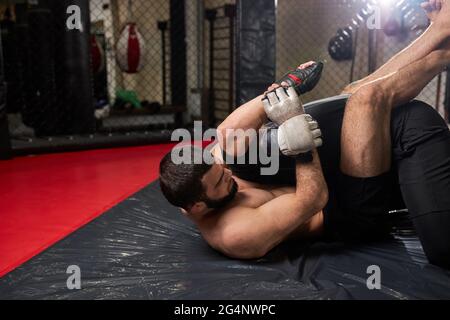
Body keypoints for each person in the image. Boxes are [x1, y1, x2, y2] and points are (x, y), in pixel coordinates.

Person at [159, 0, 450, 268]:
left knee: (348, 96)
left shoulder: (198, 182)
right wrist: (298, 138)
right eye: (220, 180)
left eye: (220, 169)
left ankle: (438, 31)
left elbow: (226, 139)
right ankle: (444, 57)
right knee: (366, 99)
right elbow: (313, 199)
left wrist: (285, 92)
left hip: (333, 178)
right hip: (347, 212)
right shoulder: (235, 233)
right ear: (198, 206)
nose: (226, 173)